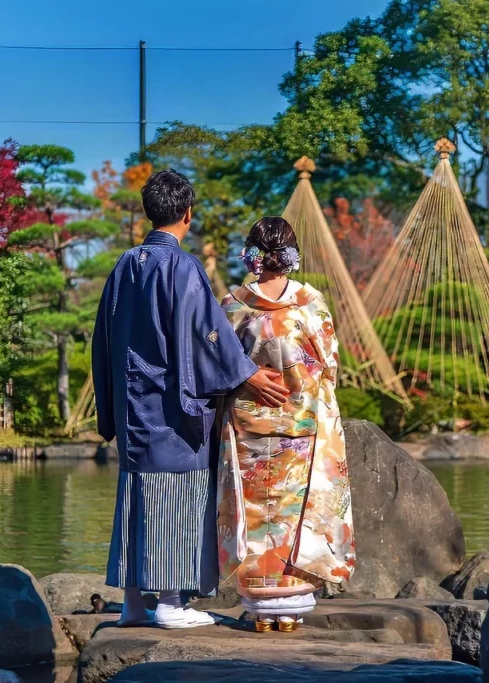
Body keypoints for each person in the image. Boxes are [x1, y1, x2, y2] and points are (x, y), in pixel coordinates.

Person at [92, 170, 291, 629]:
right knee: (176, 496)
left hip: (134, 402)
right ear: (187, 213)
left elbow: (103, 338)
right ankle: (169, 603)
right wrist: (248, 374)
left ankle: (132, 605)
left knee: (138, 495)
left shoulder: (125, 265)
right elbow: (208, 335)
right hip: (171, 406)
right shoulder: (181, 268)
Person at [216, 216, 356, 633]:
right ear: (290, 255)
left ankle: (260, 610)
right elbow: (329, 365)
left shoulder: (232, 305)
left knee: (256, 515)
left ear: (253, 253)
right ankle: (290, 609)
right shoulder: (310, 303)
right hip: (302, 425)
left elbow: (217, 365)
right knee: (298, 516)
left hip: (249, 427)